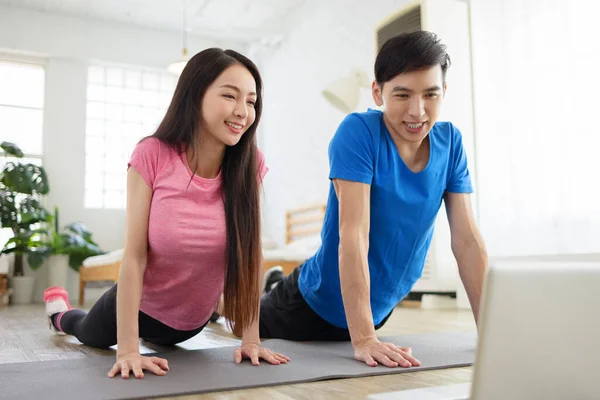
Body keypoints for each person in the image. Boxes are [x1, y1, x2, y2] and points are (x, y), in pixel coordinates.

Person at [42, 47, 290, 379]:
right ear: (195, 94)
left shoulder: (250, 165)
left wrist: (251, 339)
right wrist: (129, 349)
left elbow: (248, 253)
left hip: (192, 323)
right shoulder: (152, 154)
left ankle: (214, 310)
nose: (243, 111)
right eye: (230, 96)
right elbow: (134, 256)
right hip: (138, 309)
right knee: (84, 329)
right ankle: (59, 310)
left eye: (251, 101)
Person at [258, 31, 488, 368]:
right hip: (310, 306)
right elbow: (354, 234)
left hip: (374, 311)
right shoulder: (359, 132)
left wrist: (492, 330)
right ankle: (248, 294)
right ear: (378, 92)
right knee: (238, 317)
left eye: (430, 94)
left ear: (444, 92)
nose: (417, 111)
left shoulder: (450, 142)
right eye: (402, 94)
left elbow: (467, 241)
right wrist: (364, 339)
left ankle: (273, 280)